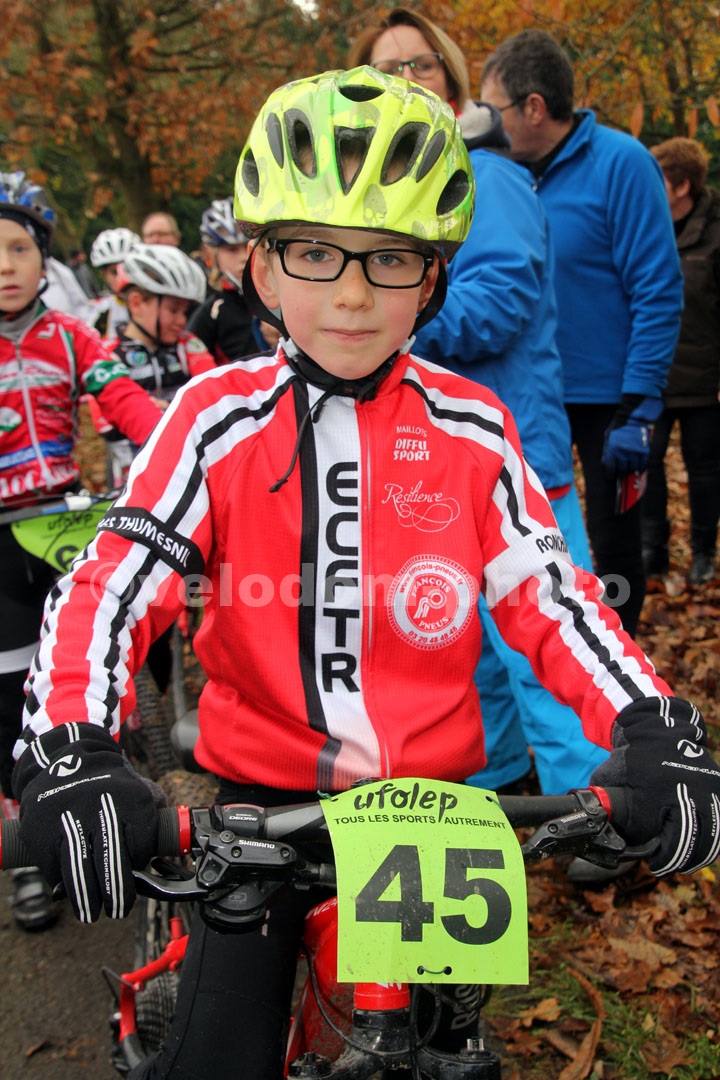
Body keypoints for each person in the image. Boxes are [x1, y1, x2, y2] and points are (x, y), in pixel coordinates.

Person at [11, 70, 720, 1079]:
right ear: (262, 268)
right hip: (259, 804)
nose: (351, 293)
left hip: (436, 815)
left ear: (433, 279)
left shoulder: (474, 425)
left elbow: (554, 598)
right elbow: (112, 584)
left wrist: (653, 725)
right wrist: (70, 745)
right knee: (219, 1057)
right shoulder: (214, 419)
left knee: (449, 1051)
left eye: (389, 258)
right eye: (315, 252)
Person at [348, 8, 607, 798]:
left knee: (546, 645)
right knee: (459, 643)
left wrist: (384, 316)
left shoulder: (484, 176)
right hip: (422, 465)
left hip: (515, 456)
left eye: (420, 65)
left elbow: (497, 303)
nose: (404, 81)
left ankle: (599, 809)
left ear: (452, 81)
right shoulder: (372, 198)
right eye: (385, 70)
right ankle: (493, 787)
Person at [0, 170, 164, 931]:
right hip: (0, 541)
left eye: (18, 248)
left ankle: (104, 804)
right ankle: (26, 849)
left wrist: (180, 447)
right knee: (10, 691)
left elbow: (125, 400)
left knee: (85, 663)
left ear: (44, 261)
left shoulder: (71, 335)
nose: (5, 265)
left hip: (62, 522)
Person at [481, 29, 684, 637]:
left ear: (533, 108)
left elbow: (657, 286)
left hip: (608, 400)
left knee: (613, 537)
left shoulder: (622, 163)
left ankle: (614, 656)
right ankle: (544, 648)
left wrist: (640, 402)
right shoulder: (500, 177)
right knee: (527, 535)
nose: (485, 122)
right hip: (530, 394)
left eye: (493, 108)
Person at [643, 137, 720, 587]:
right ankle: (653, 551)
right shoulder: (647, 224)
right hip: (653, 375)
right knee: (646, 463)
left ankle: (704, 554)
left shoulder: (715, 231)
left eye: (659, 179)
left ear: (682, 186)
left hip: (704, 379)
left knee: (704, 469)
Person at [92, 243, 214, 490]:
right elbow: (103, 422)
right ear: (137, 303)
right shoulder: (109, 354)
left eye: (185, 312)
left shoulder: (188, 345)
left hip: (187, 474)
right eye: (173, 310)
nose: (182, 321)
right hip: (130, 483)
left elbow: (213, 393)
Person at [187, 197, 260, 363]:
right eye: (232, 250)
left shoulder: (281, 296)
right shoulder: (210, 313)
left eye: (249, 245)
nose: (244, 256)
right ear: (214, 256)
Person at [88, 226, 141, 340]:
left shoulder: (154, 305)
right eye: (114, 272)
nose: (122, 277)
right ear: (104, 275)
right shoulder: (101, 312)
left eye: (127, 270)